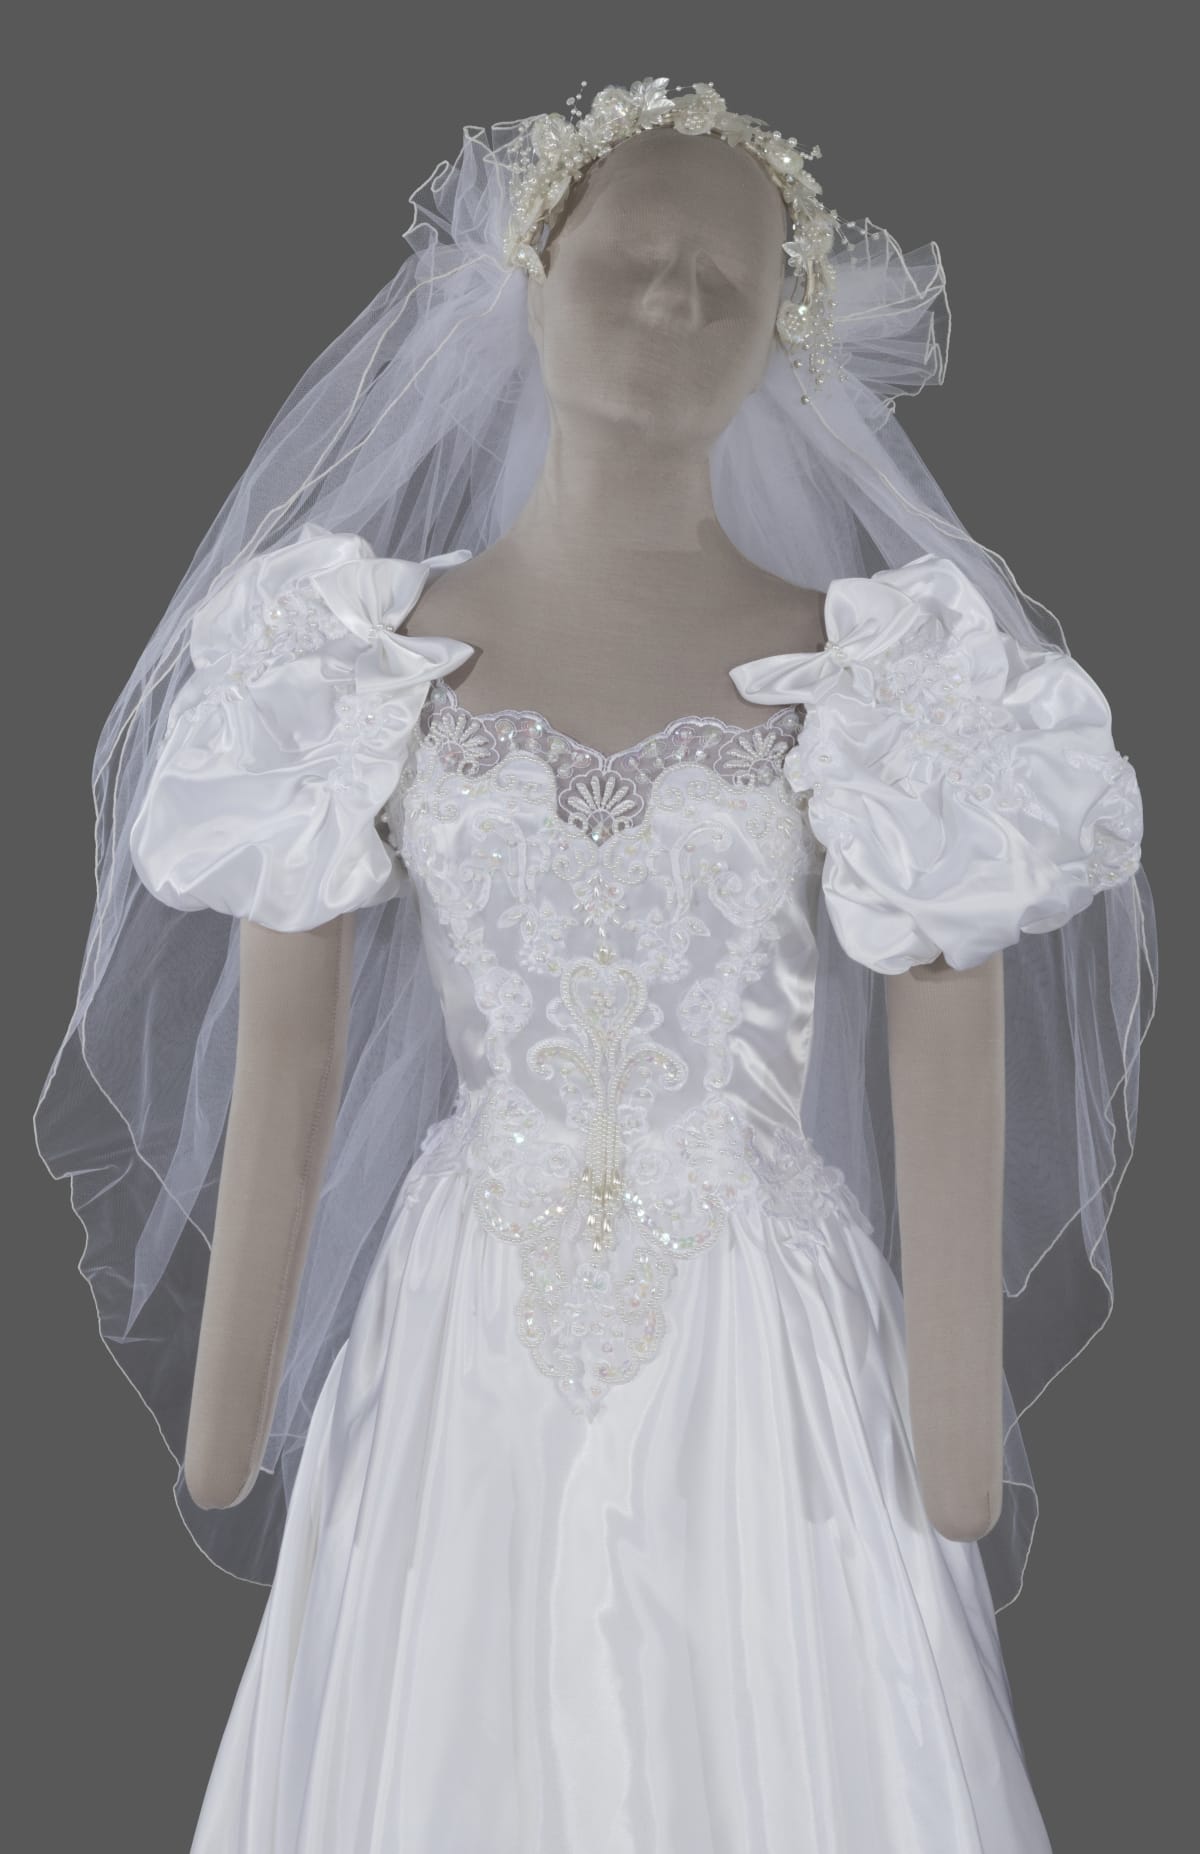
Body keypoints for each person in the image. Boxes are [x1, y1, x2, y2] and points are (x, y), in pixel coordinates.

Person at [36, 80, 1154, 1850]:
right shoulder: (350, 655)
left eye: (726, 283)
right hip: (465, 1319)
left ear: (782, 338)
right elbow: (290, 1060)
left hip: (761, 1332)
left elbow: (950, 1050)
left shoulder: (883, 678)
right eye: (630, 258)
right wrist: (227, 1414)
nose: (671, 302)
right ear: (532, 274)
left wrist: (954, 1441)